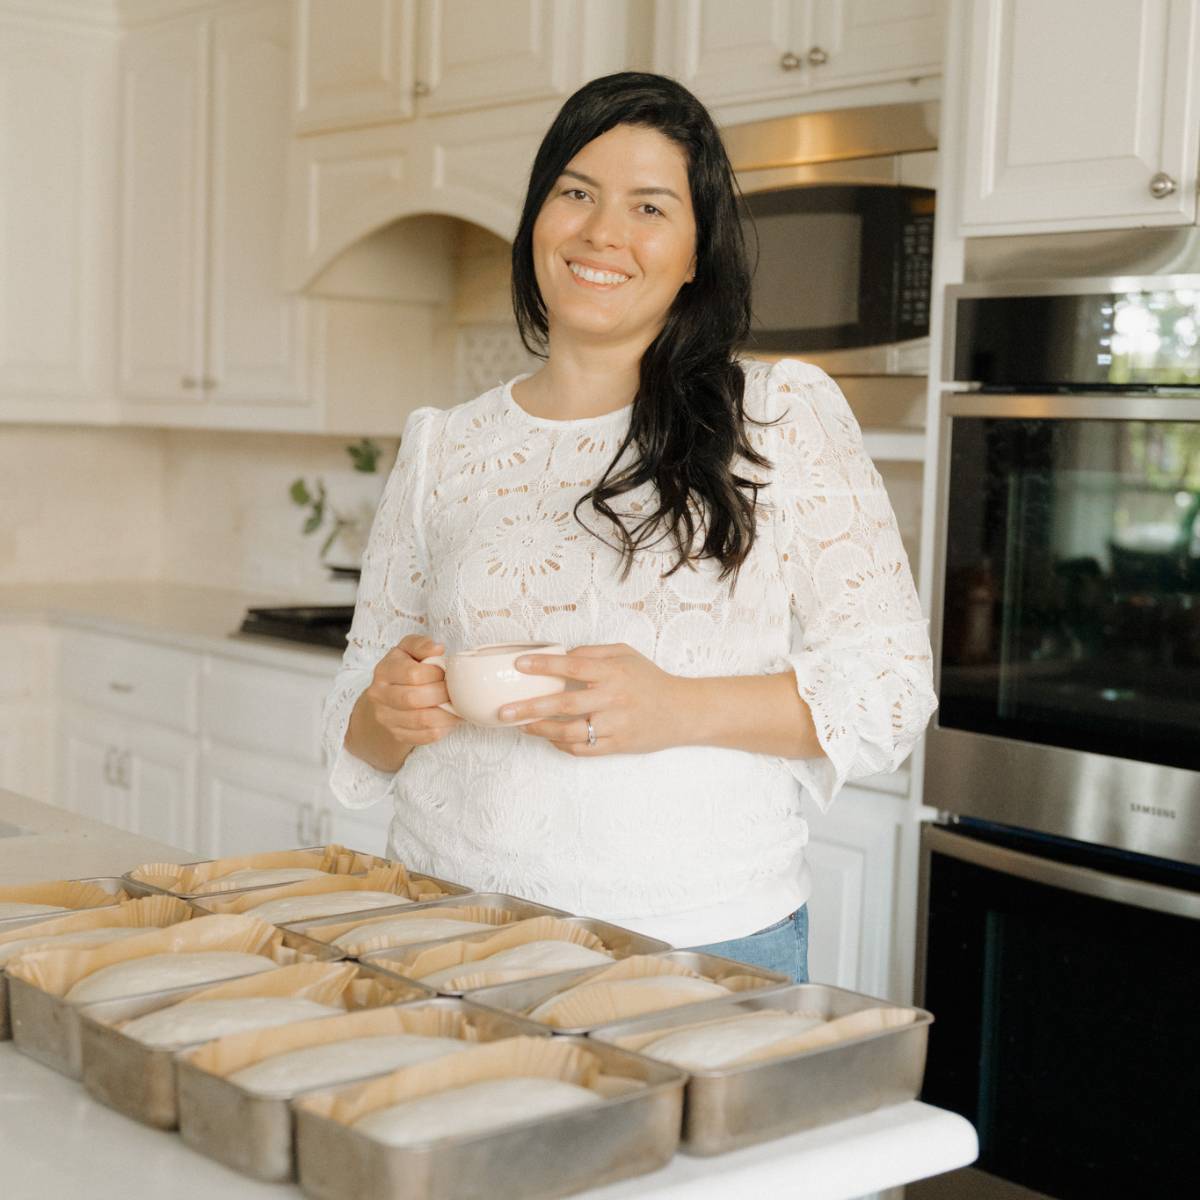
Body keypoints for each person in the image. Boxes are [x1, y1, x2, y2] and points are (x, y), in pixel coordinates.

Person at [321, 72, 937, 984]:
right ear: (537, 221)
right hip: (446, 925)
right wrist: (389, 708)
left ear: (695, 254)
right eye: (575, 194)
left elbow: (892, 690)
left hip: (696, 942)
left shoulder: (778, 415)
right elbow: (353, 730)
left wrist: (678, 706)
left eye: (649, 207)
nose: (602, 232)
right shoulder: (444, 447)